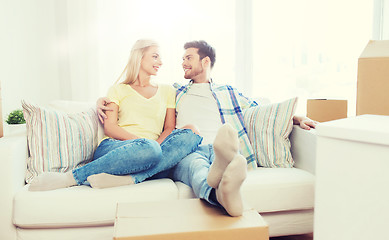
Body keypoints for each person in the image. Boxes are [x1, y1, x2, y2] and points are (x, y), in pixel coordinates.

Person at [96, 40, 317, 216]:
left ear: (205, 61)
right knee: (196, 168)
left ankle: (223, 173)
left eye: (188, 58)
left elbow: (259, 110)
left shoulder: (228, 91)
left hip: (223, 147)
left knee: (227, 157)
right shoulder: (176, 91)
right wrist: (101, 101)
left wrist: (296, 118)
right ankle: (218, 192)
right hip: (191, 150)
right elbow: (138, 94)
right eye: (182, 58)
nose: (183, 62)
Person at [28, 39, 202, 191]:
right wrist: (142, 144)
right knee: (152, 152)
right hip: (117, 148)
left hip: (153, 151)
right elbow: (110, 127)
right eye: (155, 56)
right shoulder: (117, 89)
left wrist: (153, 146)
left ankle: (129, 179)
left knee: (192, 131)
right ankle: (71, 178)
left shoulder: (167, 90)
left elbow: (169, 128)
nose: (161, 62)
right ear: (139, 57)